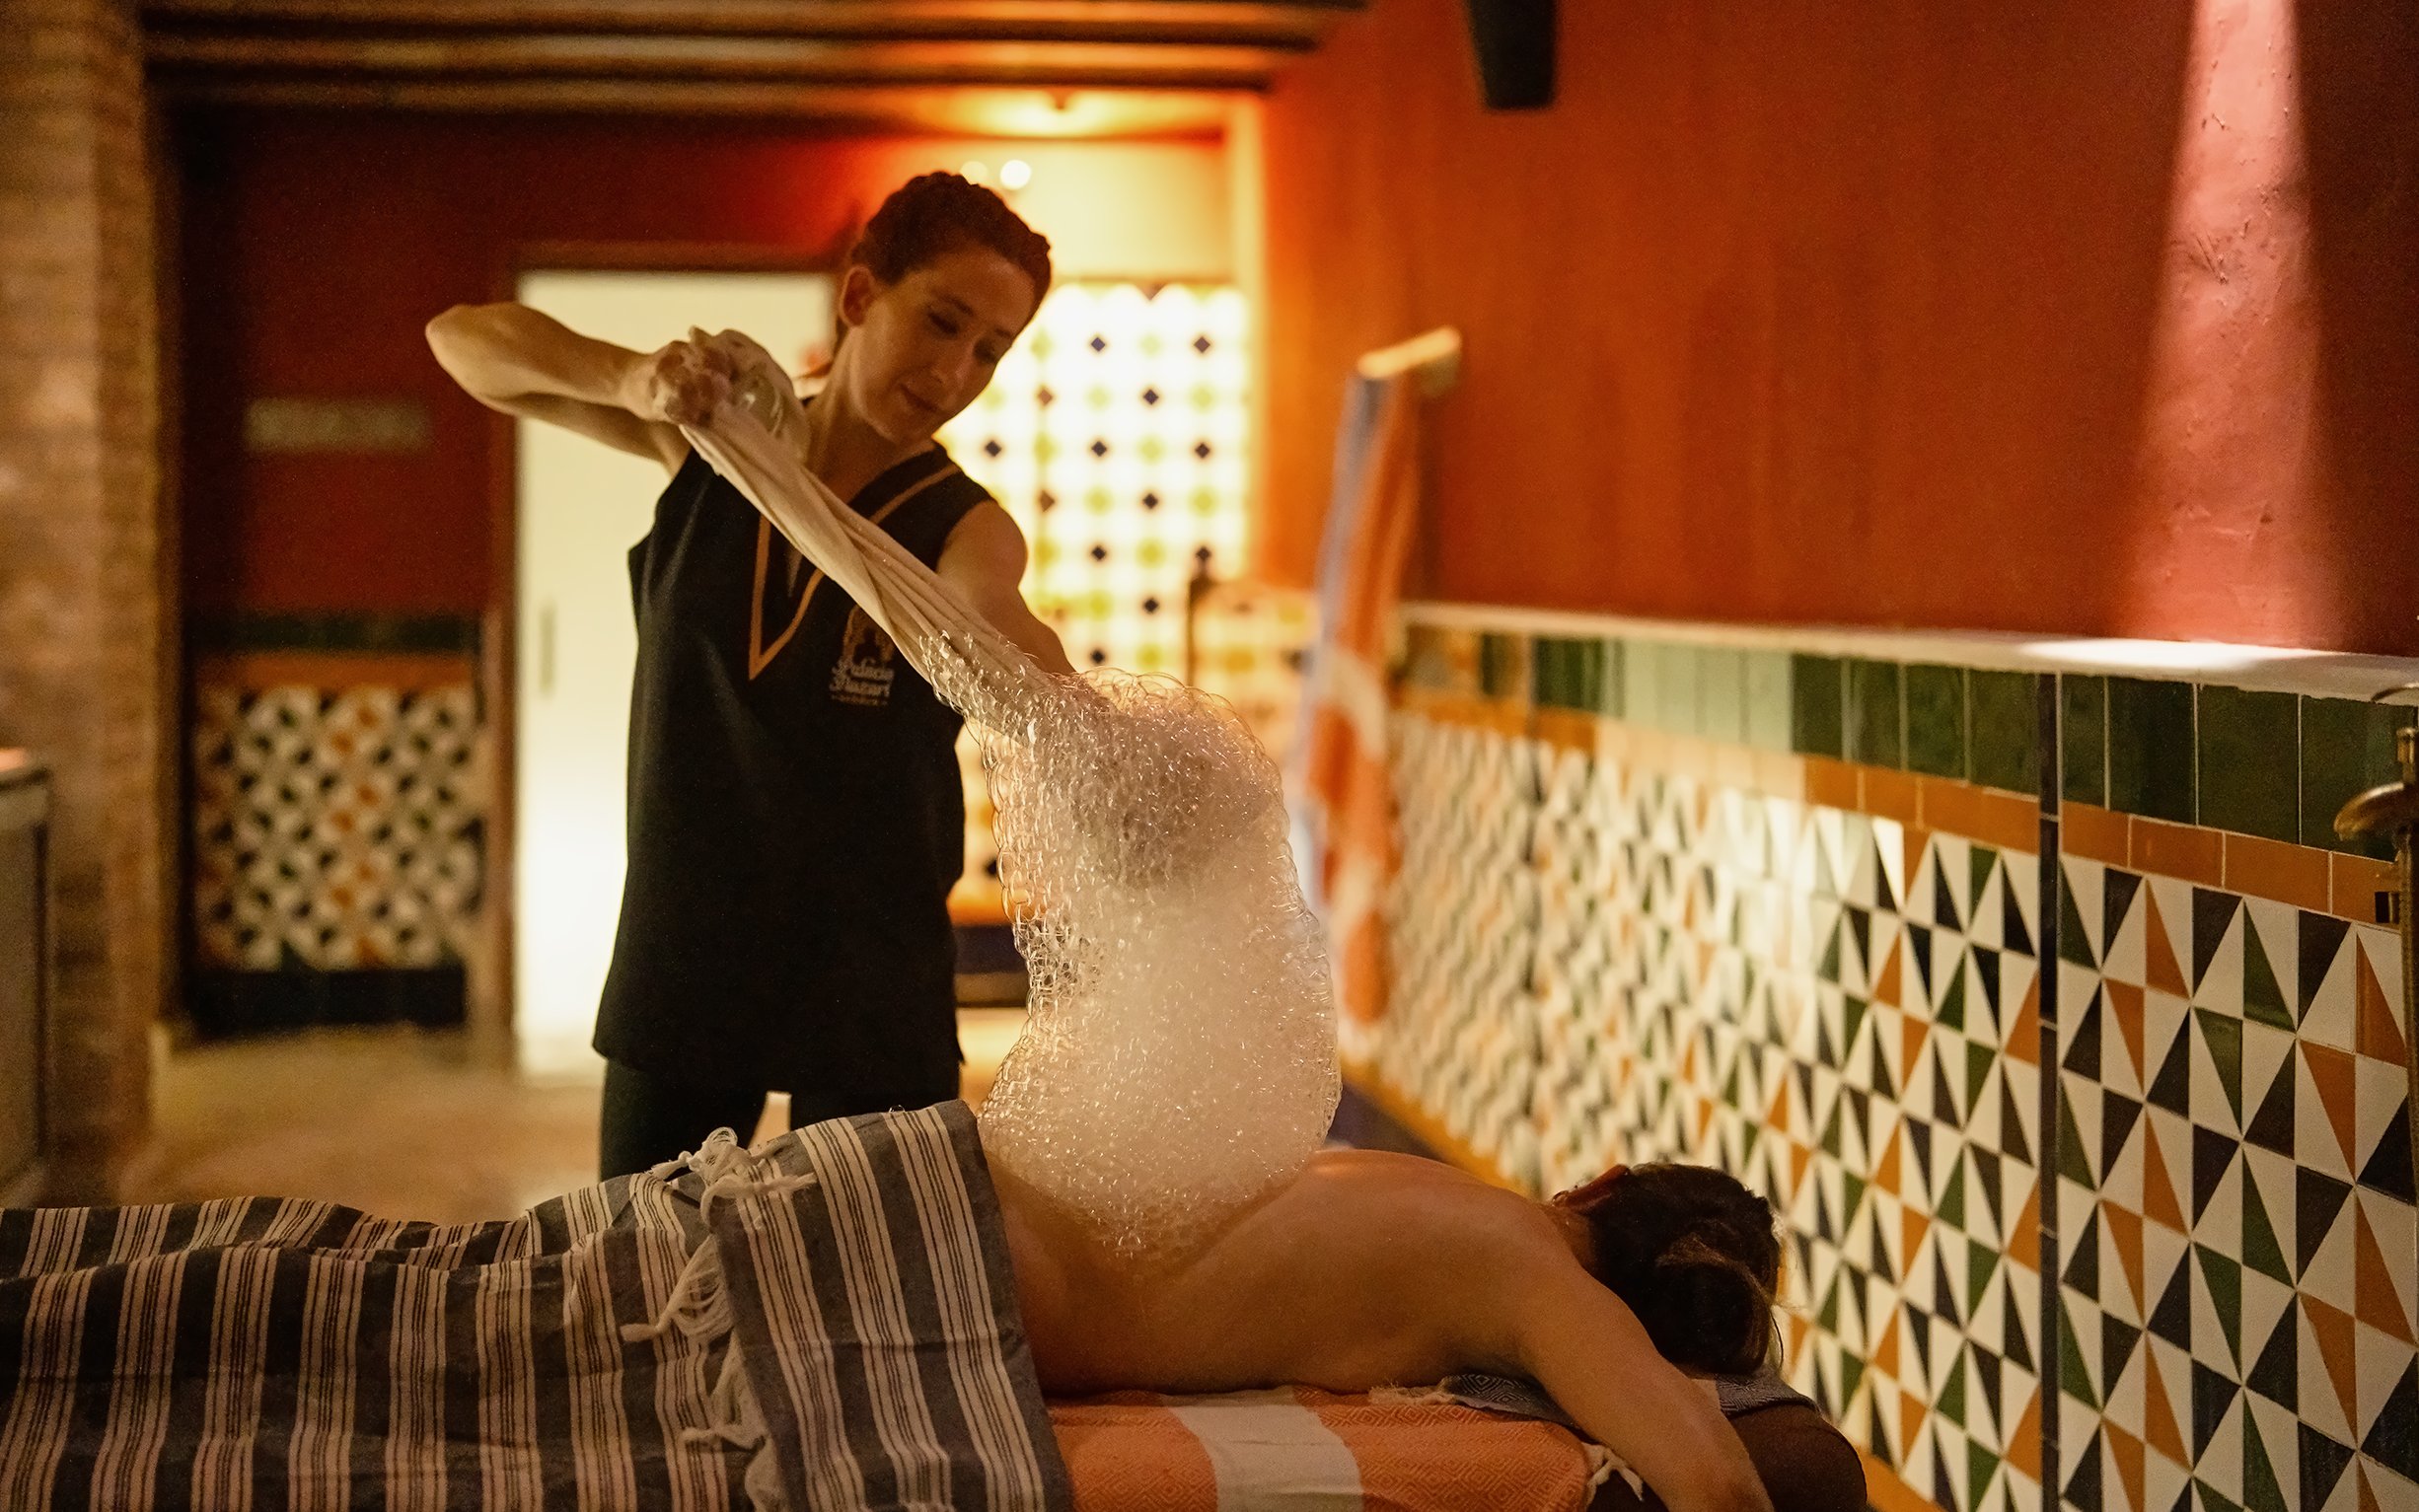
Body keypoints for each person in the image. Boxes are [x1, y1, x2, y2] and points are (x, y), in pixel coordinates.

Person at [427, 173, 1076, 1179]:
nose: (954, 371)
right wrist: (634, 377)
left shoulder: (964, 524)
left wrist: (1084, 724)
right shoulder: (724, 448)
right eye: (940, 323)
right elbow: (464, 343)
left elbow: (997, 619)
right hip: (687, 949)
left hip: (871, 978)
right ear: (862, 297)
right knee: (648, 1283)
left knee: (858, 1303)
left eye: (989, 350)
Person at [997, 1151, 1825, 1512]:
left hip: (976, 1196)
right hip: (993, 1273)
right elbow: (1720, 1485)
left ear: (1599, 1186)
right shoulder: (1529, 1273)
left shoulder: (1460, 1206)